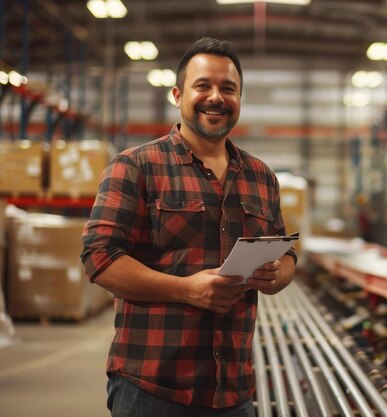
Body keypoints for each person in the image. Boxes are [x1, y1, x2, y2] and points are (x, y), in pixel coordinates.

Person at [81, 37, 297, 417]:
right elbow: (100, 257)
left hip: (234, 393)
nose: (216, 97)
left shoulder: (261, 176)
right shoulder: (135, 166)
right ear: (178, 95)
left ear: (239, 99)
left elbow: (288, 252)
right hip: (152, 389)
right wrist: (185, 290)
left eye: (228, 88)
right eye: (203, 86)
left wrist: (277, 274)